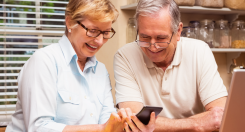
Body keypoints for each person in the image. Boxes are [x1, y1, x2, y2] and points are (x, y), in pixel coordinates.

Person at [5, 0, 155, 132]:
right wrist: (101, 129)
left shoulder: (100, 71)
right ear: (70, 22)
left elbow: (107, 122)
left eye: (106, 32)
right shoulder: (43, 61)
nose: (99, 41)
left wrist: (131, 127)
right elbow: (39, 128)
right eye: (93, 31)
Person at [114, 0, 228, 131]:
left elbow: (220, 115)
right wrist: (197, 124)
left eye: (161, 38)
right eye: (144, 37)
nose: (153, 46)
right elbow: (134, 121)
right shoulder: (125, 55)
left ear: (178, 31)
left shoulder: (199, 51)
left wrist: (156, 125)